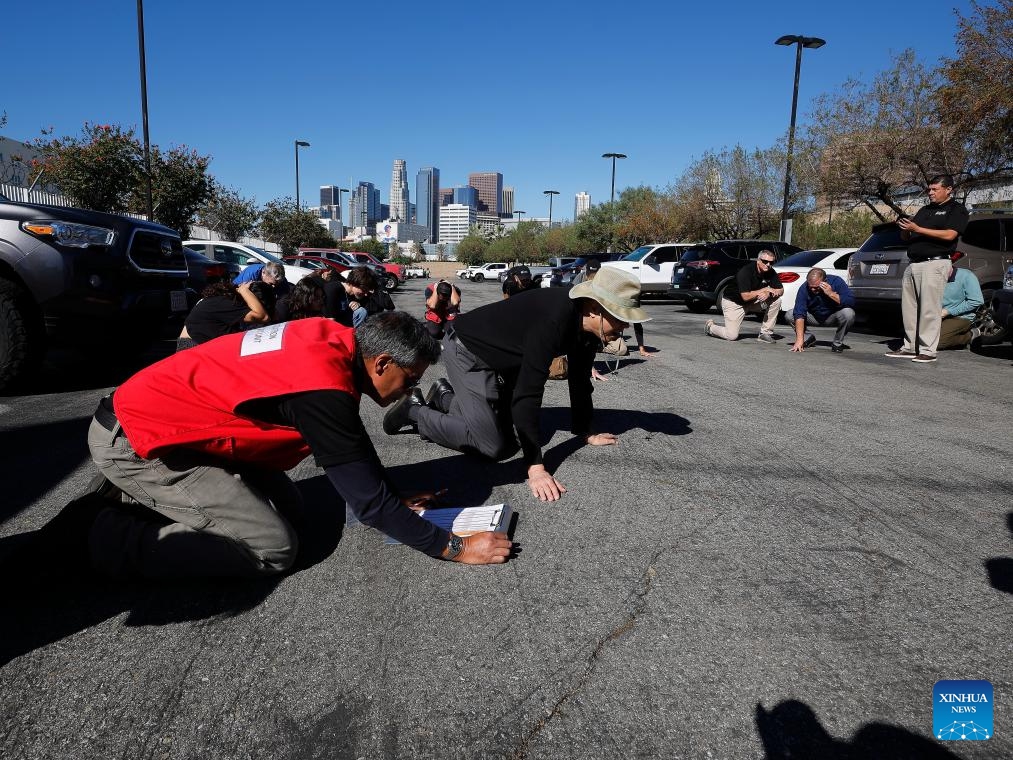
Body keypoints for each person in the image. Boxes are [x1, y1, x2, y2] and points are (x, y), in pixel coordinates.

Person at [47, 312, 511, 581]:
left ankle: (140, 499)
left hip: (172, 423)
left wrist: (393, 494)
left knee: (291, 505)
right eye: (408, 380)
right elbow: (368, 504)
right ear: (381, 361)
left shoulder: (333, 338)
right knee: (271, 547)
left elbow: (350, 449)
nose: (408, 392)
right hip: (137, 439)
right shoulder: (322, 387)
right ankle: (99, 534)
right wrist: (451, 547)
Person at [382, 267, 650, 502]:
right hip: (469, 352)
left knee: (510, 437)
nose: (626, 325)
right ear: (594, 308)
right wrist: (535, 467)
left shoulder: (588, 329)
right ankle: (416, 411)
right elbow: (528, 394)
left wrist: (584, 430)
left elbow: (580, 379)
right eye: (620, 316)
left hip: (505, 359)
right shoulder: (554, 321)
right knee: (494, 445)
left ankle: (445, 398)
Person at [885, 174, 969, 363]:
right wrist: (906, 229)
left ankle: (927, 351)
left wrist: (918, 229)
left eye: (935, 189)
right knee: (909, 309)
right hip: (914, 263)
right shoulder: (924, 210)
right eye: (929, 189)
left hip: (935, 263)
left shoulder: (956, 209)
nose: (930, 193)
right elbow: (906, 238)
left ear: (948, 190)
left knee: (929, 309)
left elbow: (950, 235)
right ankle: (909, 347)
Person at [706, 251, 784, 343]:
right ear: (758, 260)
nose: (768, 264)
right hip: (734, 303)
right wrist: (765, 290)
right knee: (731, 336)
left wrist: (769, 293)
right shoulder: (746, 271)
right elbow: (745, 297)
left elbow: (781, 290)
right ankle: (710, 327)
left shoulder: (770, 272)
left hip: (753, 302)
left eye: (771, 262)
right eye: (765, 261)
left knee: (776, 300)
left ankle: (765, 333)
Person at [177, 280, 274, 350]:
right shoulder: (227, 303)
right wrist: (244, 290)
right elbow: (263, 316)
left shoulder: (227, 299)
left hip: (197, 344)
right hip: (191, 348)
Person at [788, 268, 857, 354]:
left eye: (816, 287)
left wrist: (831, 293)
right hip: (814, 317)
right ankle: (808, 338)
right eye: (811, 287)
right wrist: (799, 340)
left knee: (849, 313)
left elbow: (851, 302)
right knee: (790, 314)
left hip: (832, 317)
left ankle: (837, 343)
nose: (813, 290)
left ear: (825, 281)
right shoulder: (804, 288)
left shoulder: (837, 281)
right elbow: (799, 313)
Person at [937, 256, 984, 350]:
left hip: (961, 317)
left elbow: (977, 301)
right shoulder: (933, 276)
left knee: (936, 342)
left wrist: (948, 311)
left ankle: (971, 335)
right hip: (937, 315)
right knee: (922, 339)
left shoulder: (966, 275)